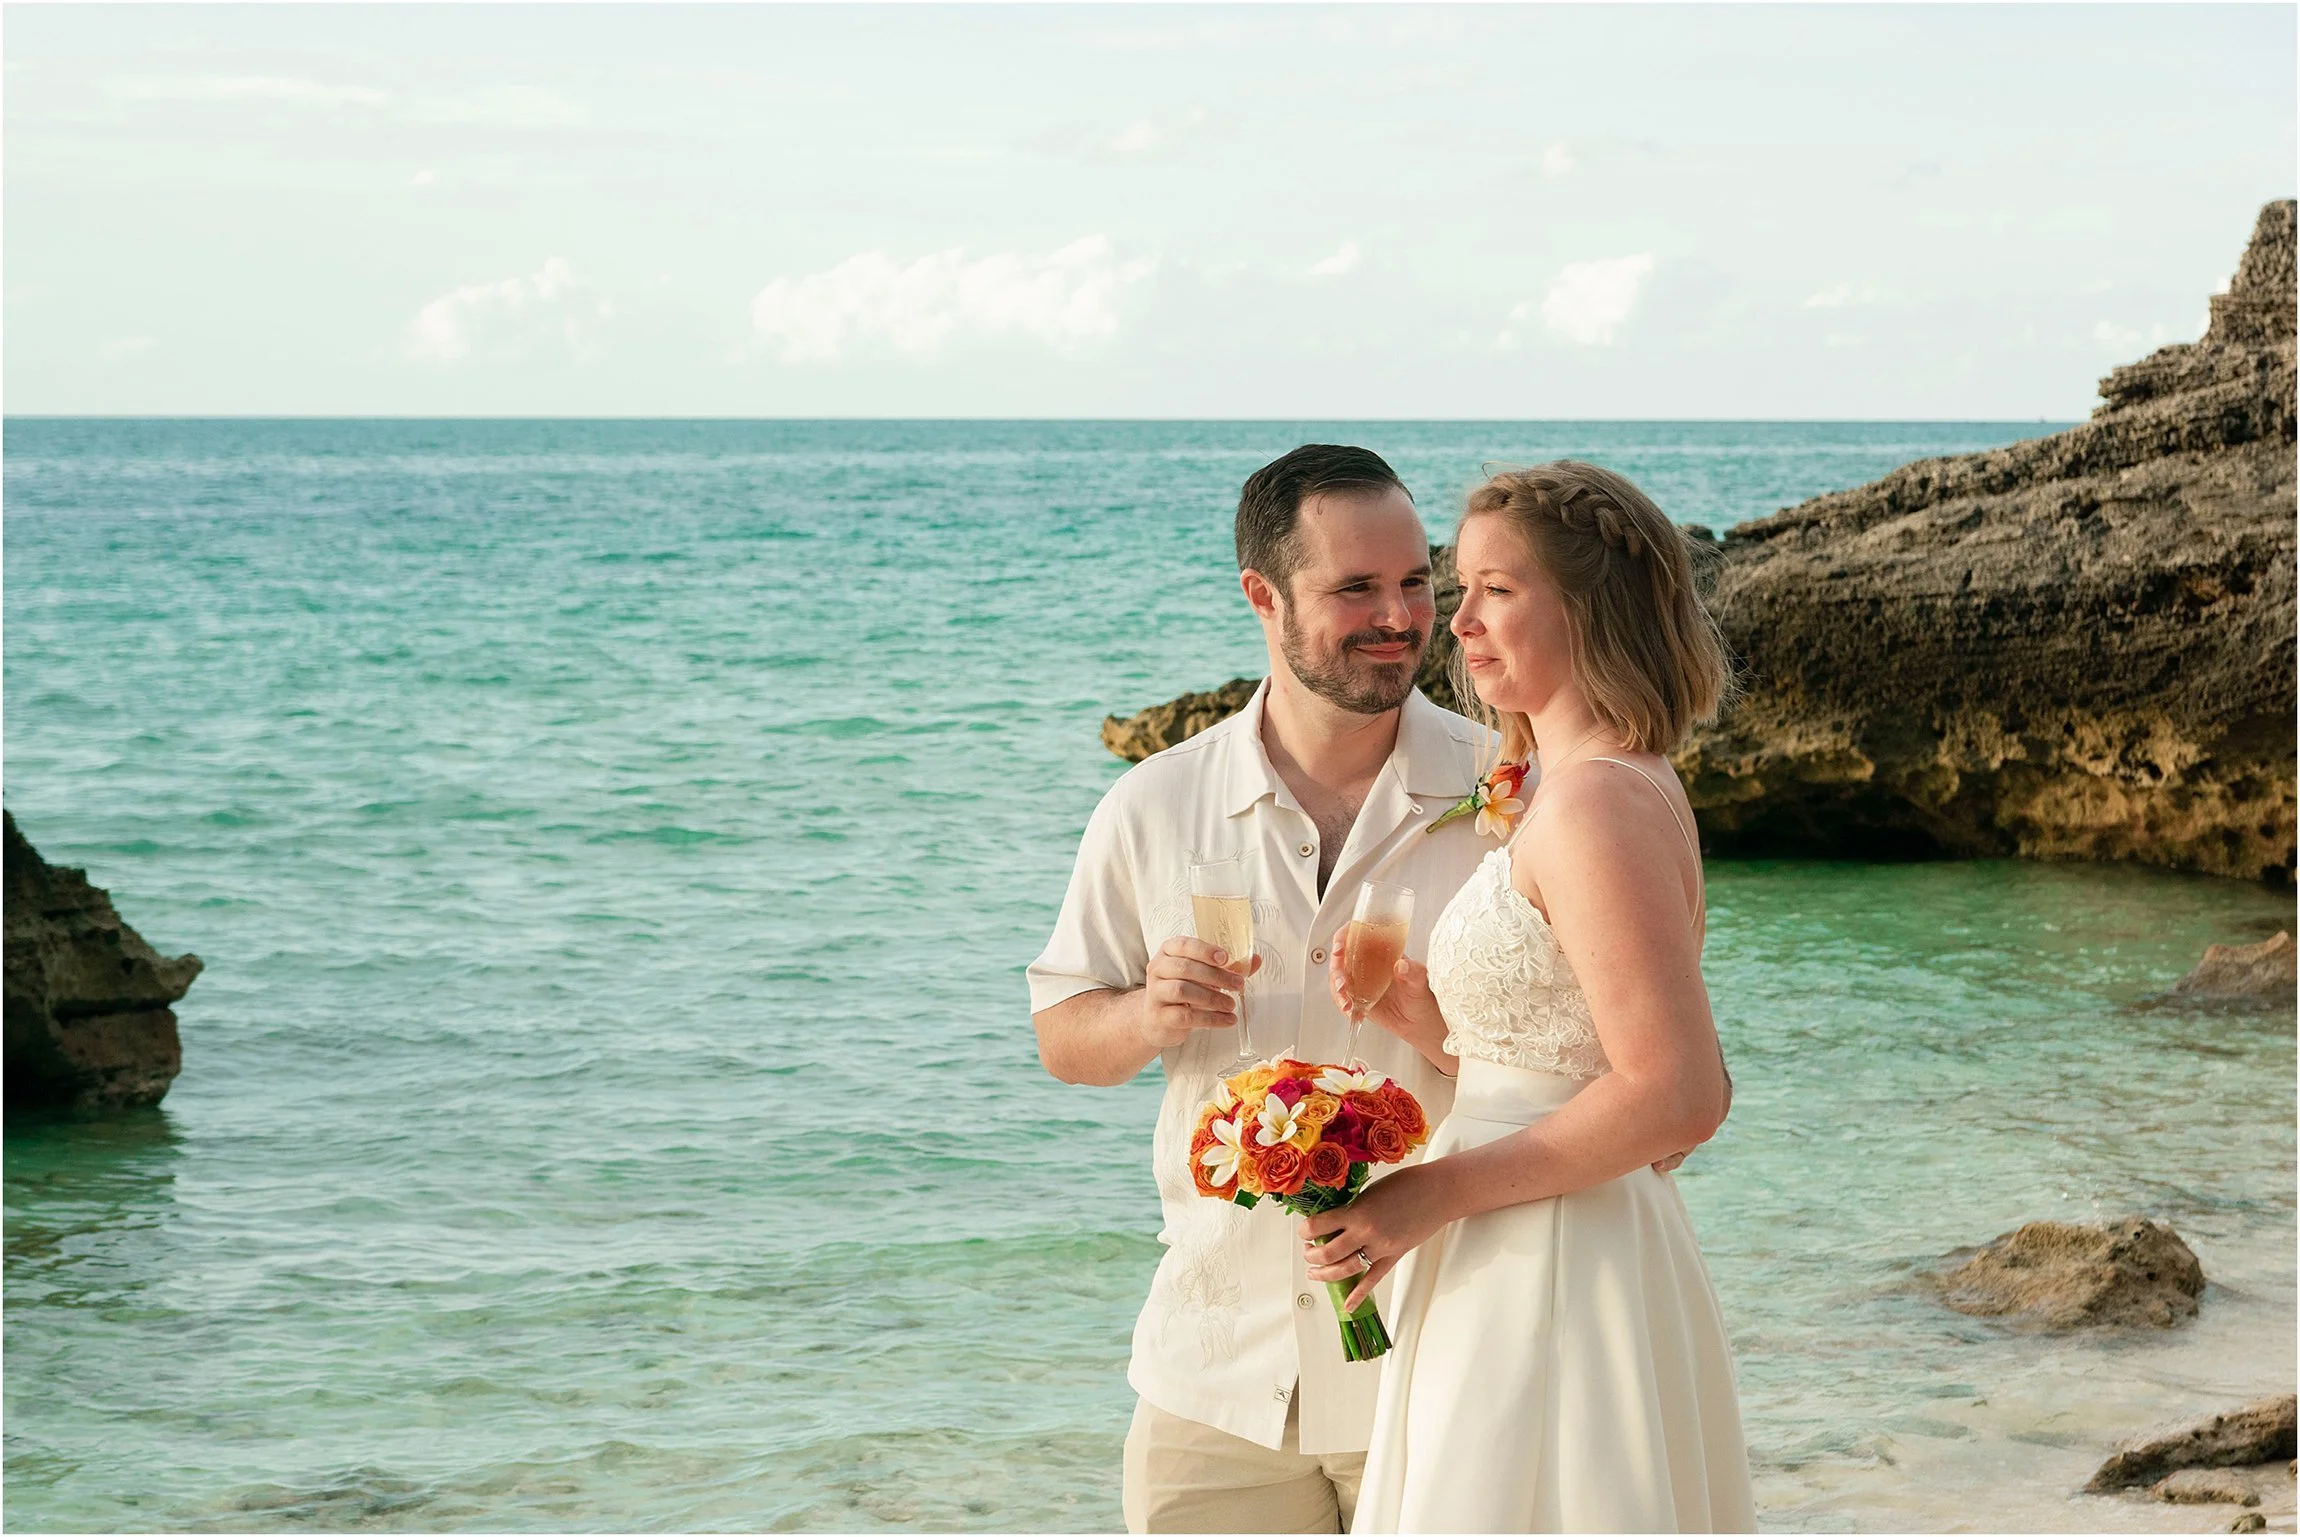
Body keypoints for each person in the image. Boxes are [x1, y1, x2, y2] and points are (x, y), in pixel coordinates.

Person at [1028, 444, 1500, 1534]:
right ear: (1261, 597)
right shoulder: (1153, 806)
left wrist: (1440, 1029)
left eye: (1415, 582)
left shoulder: (1504, 793)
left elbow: (1580, 1068)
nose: (1398, 616)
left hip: (1442, 1346)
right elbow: (1062, 1037)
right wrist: (1145, 1014)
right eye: (1354, 589)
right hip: (1213, 1375)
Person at [1301, 460, 1757, 1533]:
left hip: (1551, 1256)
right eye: (1457, 591)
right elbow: (1583, 1065)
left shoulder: (1596, 800)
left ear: (1588, 606)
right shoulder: (1595, 782)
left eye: (1494, 591)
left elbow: (1679, 1095)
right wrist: (1430, 1019)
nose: (1455, 623)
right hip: (1531, 1239)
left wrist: (1425, 1194)